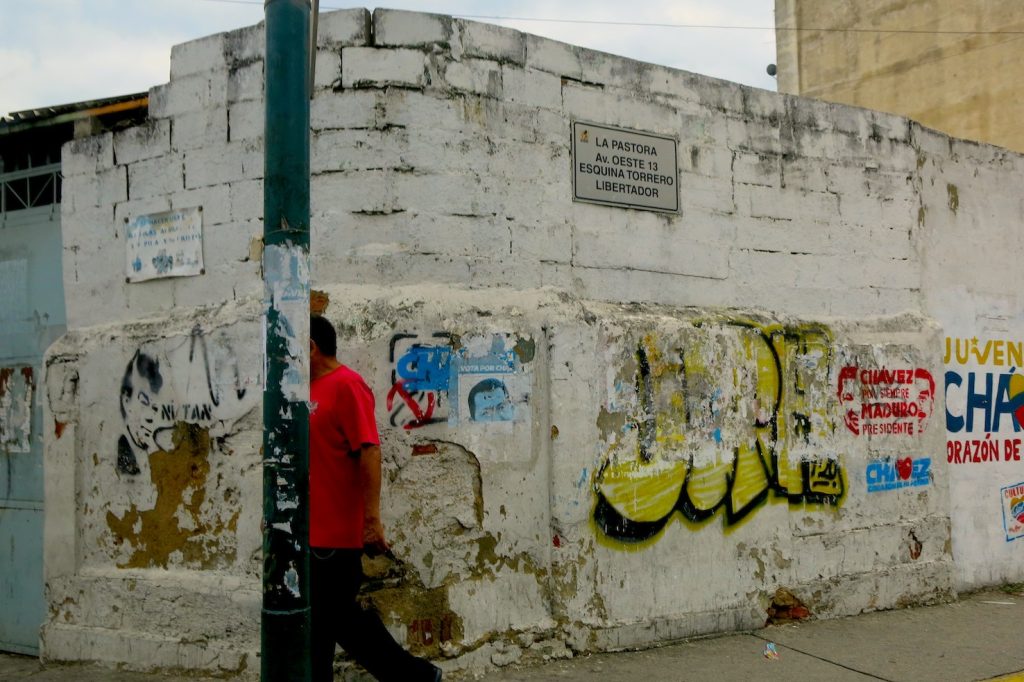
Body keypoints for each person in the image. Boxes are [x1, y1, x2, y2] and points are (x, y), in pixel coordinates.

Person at [308, 315, 442, 682]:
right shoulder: (306, 390)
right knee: (321, 625)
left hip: (335, 534)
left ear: (310, 346)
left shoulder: (347, 385)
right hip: (308, 531)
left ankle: (416, 676)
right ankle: (416, 677)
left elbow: (369, 450)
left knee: (339, 620)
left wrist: (371, 520)